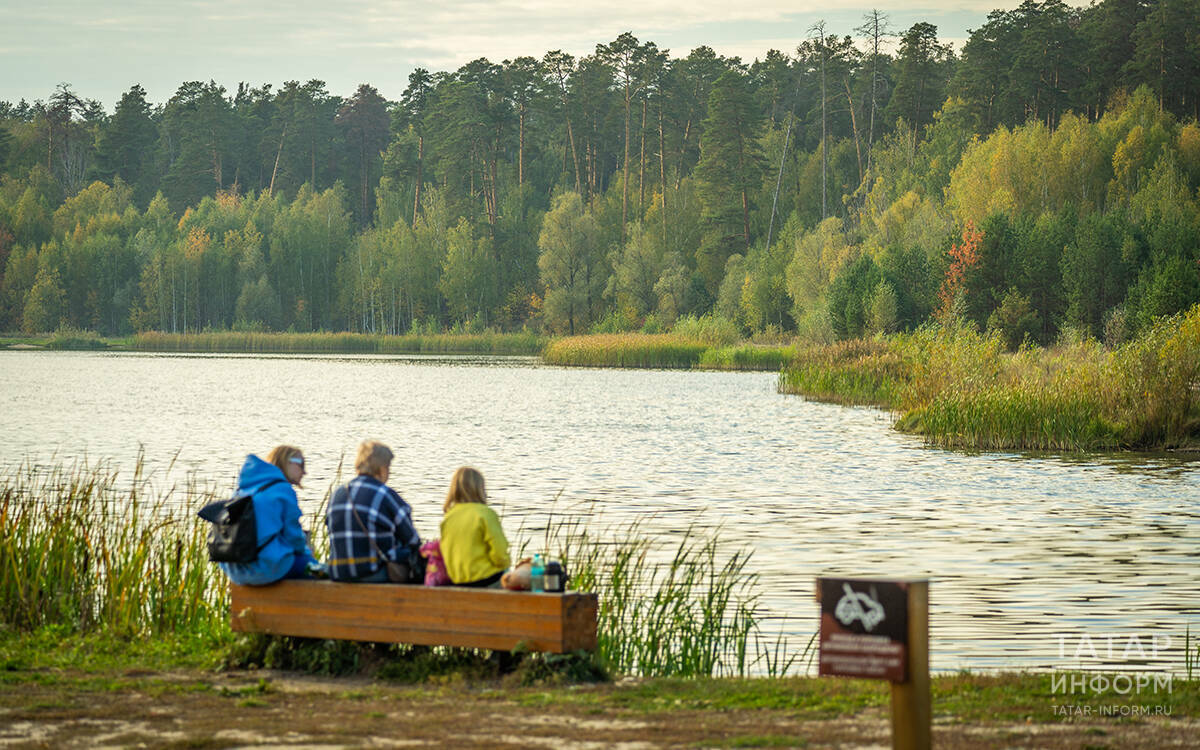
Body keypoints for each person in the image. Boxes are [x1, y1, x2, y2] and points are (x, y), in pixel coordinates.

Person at [217, 445, 321, 585]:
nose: (305, 472)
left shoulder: (243, 488)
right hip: (265, 569)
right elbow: (294, 538)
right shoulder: (283, 490)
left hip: (235, 571)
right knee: (314, 568)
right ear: (287, 462)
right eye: (301, 464)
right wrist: (308, 553)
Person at [326, 440, 422, 582]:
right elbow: (413, 541)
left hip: (338, 572)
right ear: (383, 468)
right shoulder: (385, 495)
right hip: (372, 573)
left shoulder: (338, 493)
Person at [440, 466, 511, 588]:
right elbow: (499, 554)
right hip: (486, 580)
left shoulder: (448, 517)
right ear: (480, 489)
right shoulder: (485, 513)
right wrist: (507, 566)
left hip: (458, 581)